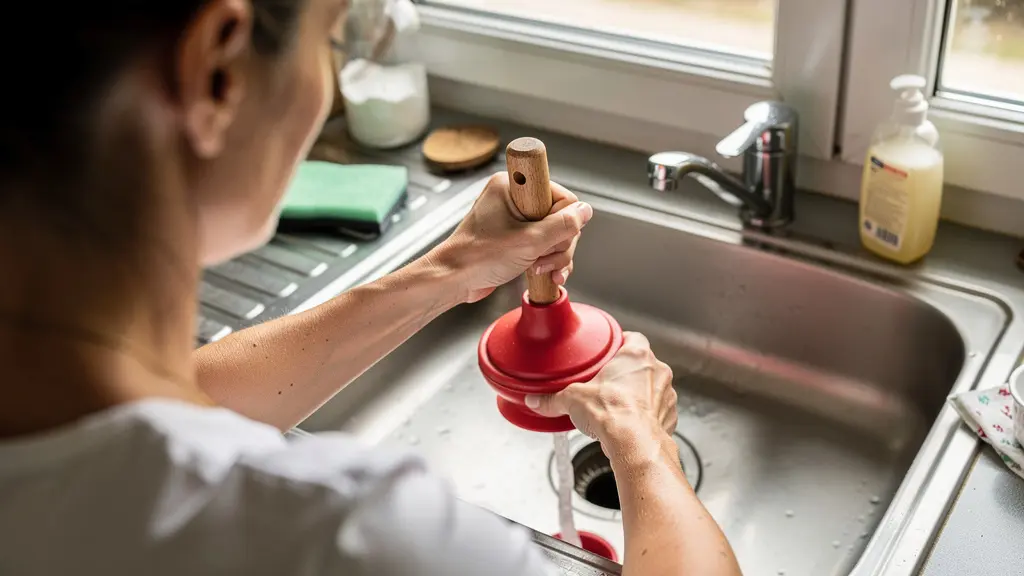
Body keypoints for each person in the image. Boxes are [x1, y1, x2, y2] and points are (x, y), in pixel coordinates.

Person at [0, 1, 741, 575]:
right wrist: (642, 446)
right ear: (216, 70)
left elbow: (175, 403)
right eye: (328, 41)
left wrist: (449, 273)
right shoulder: (354, 535)